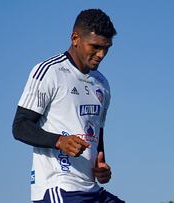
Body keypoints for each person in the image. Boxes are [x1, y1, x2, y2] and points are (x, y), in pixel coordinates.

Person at [12, 8, 124, 203]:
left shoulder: (102, 84)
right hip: (58, 187)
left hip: (92, 189)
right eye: (95, 47)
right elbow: (20, 126)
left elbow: (97, 134)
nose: (101, 54)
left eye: (106, 48)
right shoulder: (49, 71)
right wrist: (60, 141)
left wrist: (101, 165)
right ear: (75, 38)